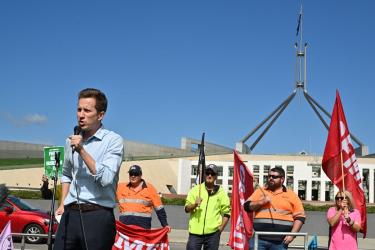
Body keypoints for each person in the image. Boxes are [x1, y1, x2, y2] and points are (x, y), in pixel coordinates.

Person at [54, 88, 124, 250]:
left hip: (97, 215)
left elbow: (106, 178)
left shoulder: (113, 141)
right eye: (79, 109)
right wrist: (62, 203)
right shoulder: (70, 140)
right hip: (70, 215)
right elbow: (66, 174)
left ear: (100, 115)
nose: (81, 114)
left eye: (87, 110)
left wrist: (82, 150)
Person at [244, 166, 306, 250]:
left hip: (280, 242)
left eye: (274, 177)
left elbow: (300, 217)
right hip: (259, 239)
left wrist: (292, 235)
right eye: (269, 176)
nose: (270, 178)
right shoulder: (261, 191)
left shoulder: (291, 195)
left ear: (282, 179)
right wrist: (261, 202)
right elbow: (247, 206)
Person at [185, 164, 231, 250]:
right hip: (195, 233)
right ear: (204, 174)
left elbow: (227, 213)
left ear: (216, 176)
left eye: (212, 174)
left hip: (213, 234)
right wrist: (195, 204)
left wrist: (220, 230)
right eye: (207, 173)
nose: (209, 175)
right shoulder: (195, 190)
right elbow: (186, 209)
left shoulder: (221, 192)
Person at [116, 165, 169, 230]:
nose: (133, 176)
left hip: (143, 229)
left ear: (141, 175)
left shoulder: (150, 188)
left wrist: (165, 224)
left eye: (136, 174)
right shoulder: (120, 187)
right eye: (131, 174)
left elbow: (159, 209)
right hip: (125, 229)